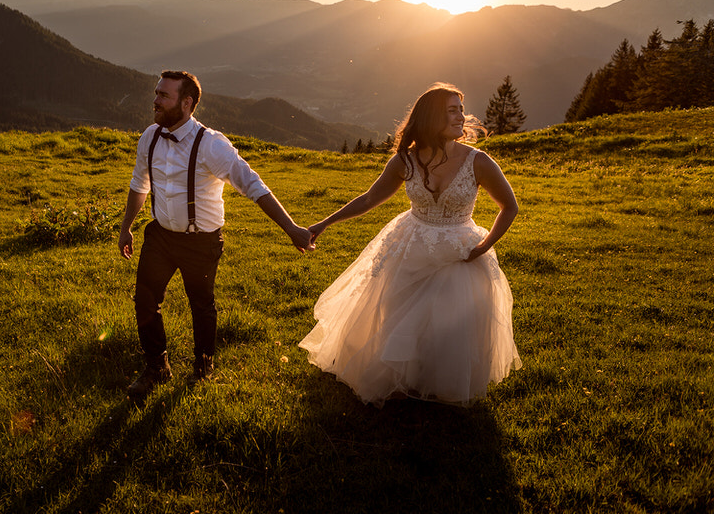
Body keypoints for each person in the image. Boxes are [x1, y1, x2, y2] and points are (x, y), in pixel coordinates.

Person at [299, 83, 522, 407]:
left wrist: (484, 246)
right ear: (432, 117)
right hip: (411, 241)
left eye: (461, 109)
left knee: (448, 321)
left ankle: (439, 383)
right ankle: (402, 377)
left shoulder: (478, 161)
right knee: (398, 313)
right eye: (452, 110)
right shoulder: (406, 160)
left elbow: (509, 206)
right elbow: (370, 199)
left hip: (460, 251)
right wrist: (323, 224)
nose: (461, 116)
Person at [119, 70, 314, 400]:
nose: (155, 100)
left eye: (163, 96)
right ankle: (157, 368)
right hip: (160, 237)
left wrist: (291, 227)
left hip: (201, 242)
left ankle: (203, 367)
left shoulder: (210, 144)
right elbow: (140, 184)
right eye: (156, 93)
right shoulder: (149, 136)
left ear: (186, 103)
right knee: (145, 300)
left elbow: (252, 184)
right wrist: (126, 227)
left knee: (201, 305)